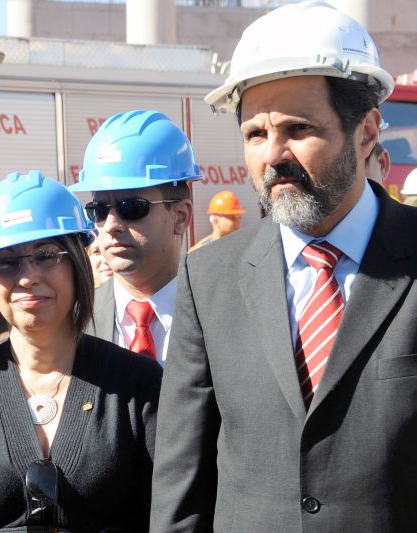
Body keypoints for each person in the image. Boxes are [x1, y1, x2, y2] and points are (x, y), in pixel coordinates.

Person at [150, 2, 417, 532]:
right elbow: (183, 479)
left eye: (298, 128)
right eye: (254, 134)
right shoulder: (209, 280)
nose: (272, 156)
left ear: (366, 133)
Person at [0, 171, 162, 531]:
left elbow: (170, 512)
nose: (27, 277)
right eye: (7, 262)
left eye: (46, 255)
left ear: (77, 263)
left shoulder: (137, 383)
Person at [69, 110, 200, 365]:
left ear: (181, 216)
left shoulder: (225, 314)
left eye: (132, 207)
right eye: (99, 210)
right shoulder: (74, 322)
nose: (111, 225)